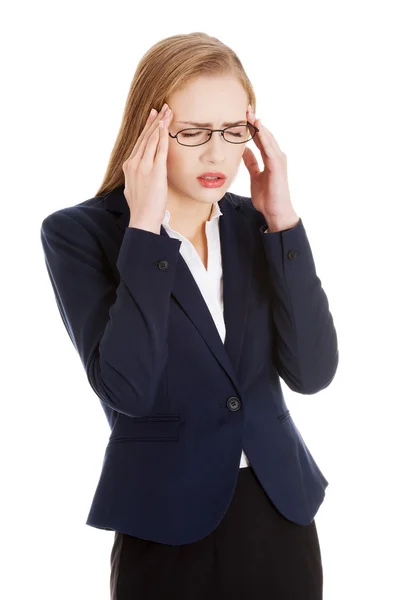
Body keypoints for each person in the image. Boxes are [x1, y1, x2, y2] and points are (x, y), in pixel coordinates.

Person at [40, 31, 339, 600]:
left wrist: (284, 222)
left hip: (279, 508)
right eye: (193, 132)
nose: (217, 154)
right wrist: (146, 230)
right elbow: (128, 387)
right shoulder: (81, 234)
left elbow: (313, 372)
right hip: (164, 521)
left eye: (233, 132)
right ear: (148, 130)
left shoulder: (259, 225)